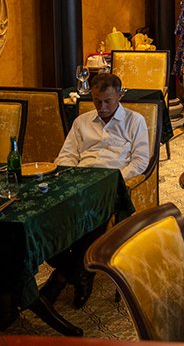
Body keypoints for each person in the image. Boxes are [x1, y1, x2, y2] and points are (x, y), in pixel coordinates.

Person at [45, 73, 150, 308]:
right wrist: (72, 177)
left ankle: (61, 278)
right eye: (96, 101)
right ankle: (79, 272)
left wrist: (114, 180)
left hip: (111, 183)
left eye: (107, 101)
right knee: (49, 221)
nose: (101, 107)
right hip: (80, 180)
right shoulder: (82, 122)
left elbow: (140, 162)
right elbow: (66, 155)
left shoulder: (135, 121)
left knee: (94, 219)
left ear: (119, 96)